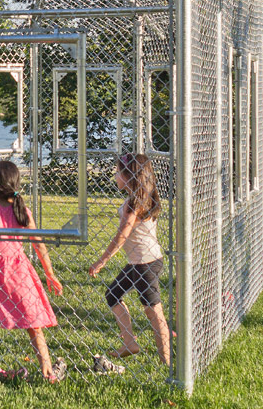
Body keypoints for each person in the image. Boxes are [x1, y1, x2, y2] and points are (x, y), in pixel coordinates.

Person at [0, 160, 66, 382]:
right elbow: (39, 243)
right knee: (32, 321)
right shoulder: (22, 210)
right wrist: (49, 273)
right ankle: (46, 368)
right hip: (18, 272)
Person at [88, 153, 171, 373]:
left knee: (153, 311)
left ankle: (168, 362)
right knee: (113, 294)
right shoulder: (141, 198)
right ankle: (129, 343)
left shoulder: (135, 205)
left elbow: (121, 236)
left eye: (118, 172)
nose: (115, 175)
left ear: (130, 176)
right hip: (139, 263)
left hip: (145, 264)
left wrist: (101, 261)